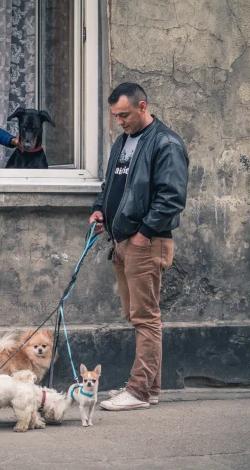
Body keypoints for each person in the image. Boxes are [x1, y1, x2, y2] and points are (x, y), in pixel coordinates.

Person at [89, 82, 189, 411]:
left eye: (125, 114)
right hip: (121, 241)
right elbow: (111, 184)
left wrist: (144, 233)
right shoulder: (123, 141)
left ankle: (138, 391)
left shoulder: (166, 143)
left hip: (146, 242)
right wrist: (100, 208)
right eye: (115, 116)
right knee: (136, 316)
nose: (120, 121)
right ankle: (151, 387)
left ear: (143, 107)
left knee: (146, 318)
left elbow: (171, 197)